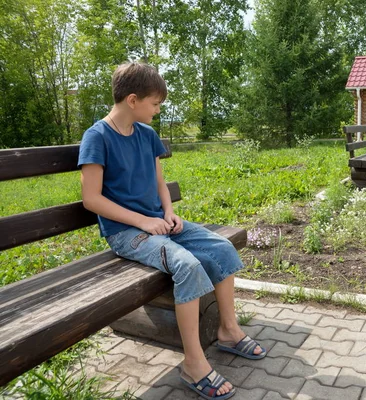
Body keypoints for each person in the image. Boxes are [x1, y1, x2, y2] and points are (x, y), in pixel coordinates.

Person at [78, 62, 265, 399]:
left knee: (222, 248)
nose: (158, 109)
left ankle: (228, 329)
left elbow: (160, 184)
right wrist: (144, 222)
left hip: (159, 222)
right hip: (127, 232)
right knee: (187, 265)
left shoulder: (146, 135)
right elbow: (91, 199)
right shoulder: (97, 137)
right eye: (155, 103)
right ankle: (193, 364)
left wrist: (168, 211)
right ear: (132, 100)